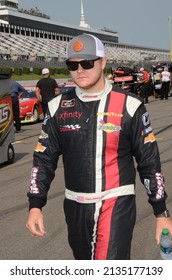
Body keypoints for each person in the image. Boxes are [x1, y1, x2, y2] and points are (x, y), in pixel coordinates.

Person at [26, 33, 172, 260]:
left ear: (103, 62)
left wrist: (160, 212)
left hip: (116, 203)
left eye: (87, 63)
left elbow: (149, 162)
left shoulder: (130, 106)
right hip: (75, 205)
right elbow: (43, 159)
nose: (80, 70)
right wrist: (35, 204)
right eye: (73, 65)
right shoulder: (57, 108)